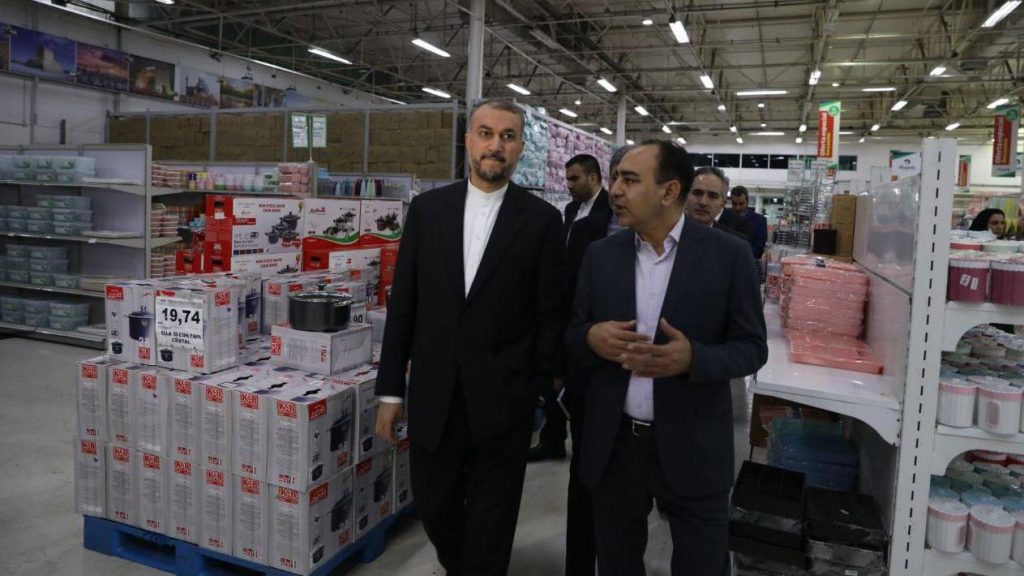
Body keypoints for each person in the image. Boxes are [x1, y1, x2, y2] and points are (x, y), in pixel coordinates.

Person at [375, 98, 567, 576]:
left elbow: (551, 315)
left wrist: (536, 391)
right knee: (434, 504)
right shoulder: (428, 211)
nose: (495, 145)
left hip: (504, 403)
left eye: (507, 136)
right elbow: (404, 306)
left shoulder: (542, 221)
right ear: (467, 141)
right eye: (486, 133)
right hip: (435, 395)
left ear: (519, 148)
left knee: (493, 518)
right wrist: (390, 392)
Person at [566, 140, 768, 576]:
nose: (615, 190)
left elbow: (753, 348)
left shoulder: (728, 255)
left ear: (669, 191)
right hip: (616, 446)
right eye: (615, 179)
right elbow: (573, 333)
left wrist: (695, 358)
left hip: (693, 444)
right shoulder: (601, 256)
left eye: (629, 180)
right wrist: (591, 338)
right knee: (617, 563)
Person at [531, 153, 612, 463]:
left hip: (588, 305)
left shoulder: (609, 212)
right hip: (562, 299)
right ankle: (552, 438)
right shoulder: (570, 209)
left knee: (575, 377)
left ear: (593, 177)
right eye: (567, 179)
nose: (569, 185)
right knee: (552, 371)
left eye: (575, 178)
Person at [684, 166, 748, 239]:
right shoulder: (671, 232)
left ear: (722, 204)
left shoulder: (735, 243)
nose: (703, 202)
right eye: (697, 193)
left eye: (712, 196)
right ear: (685, 197)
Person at [730, 185, 768, 258]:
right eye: (734, 204)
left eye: (741, 204)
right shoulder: (726, 218)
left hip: (749, 261)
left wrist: (740, 258)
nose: (738, 207)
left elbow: (759, 248)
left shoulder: (760, 221)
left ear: (747, 202)